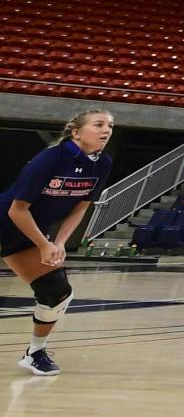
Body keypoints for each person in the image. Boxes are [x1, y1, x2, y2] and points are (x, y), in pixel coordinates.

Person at [5, 109, 114, 376]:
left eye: (110, 126)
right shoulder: (49, 159)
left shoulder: (102, 163)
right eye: (99, 124)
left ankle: (35, 353)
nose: (107, 130)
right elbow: (16, 210)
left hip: (30, 232)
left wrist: (60, 242)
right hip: (7, 220)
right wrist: (44, 244)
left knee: (57, 293)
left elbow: (81, 206)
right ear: (76, 132)